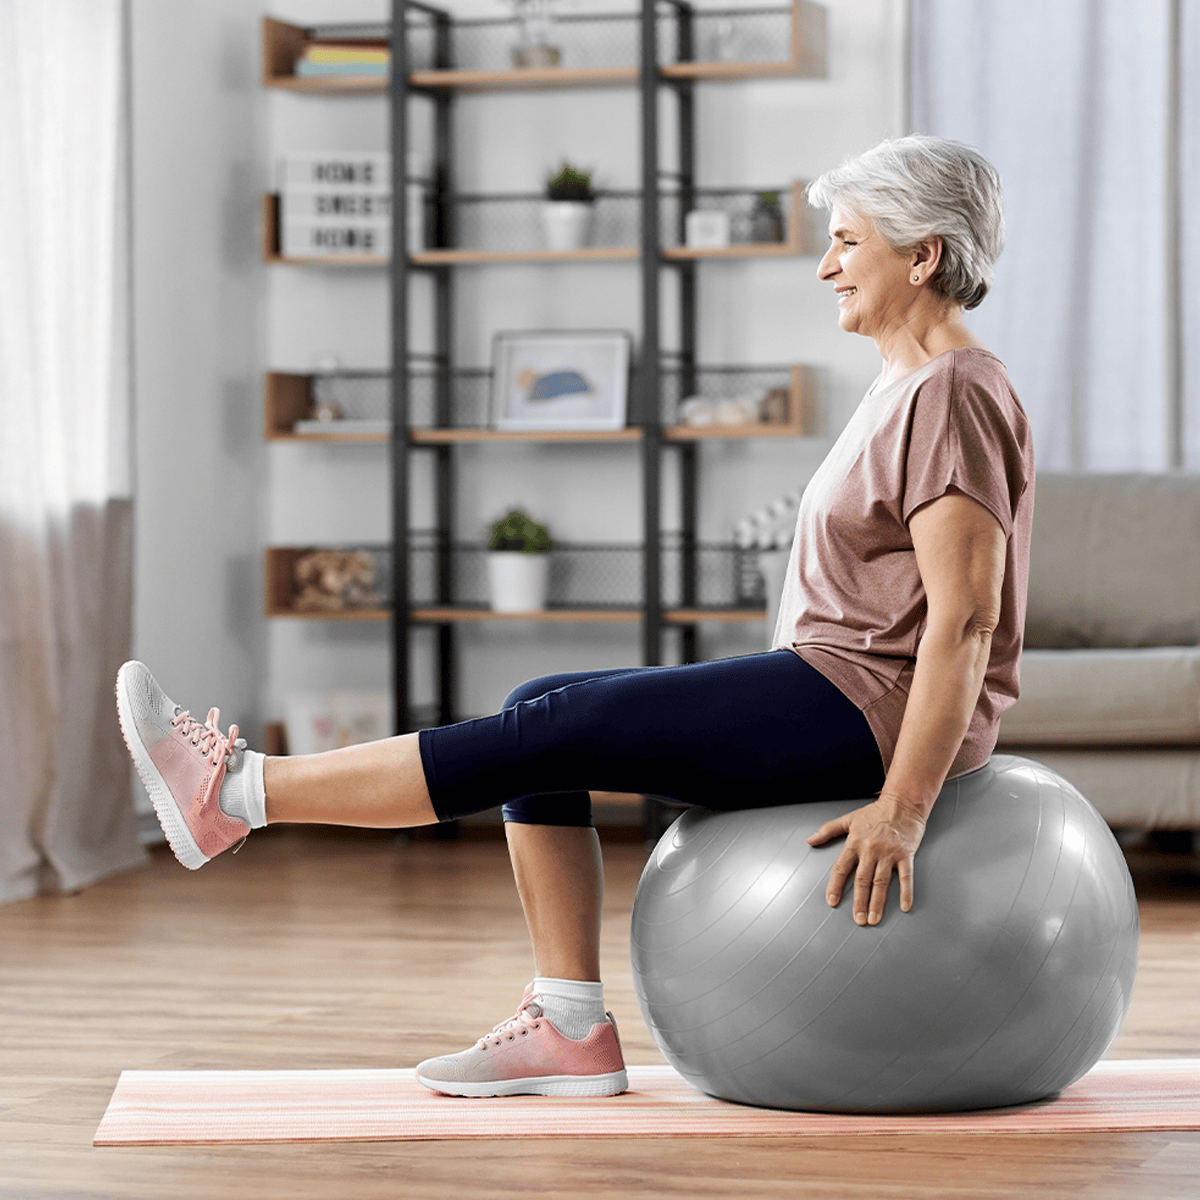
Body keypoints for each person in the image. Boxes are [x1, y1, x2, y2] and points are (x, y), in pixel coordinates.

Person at [116, 134, 1034, 1101]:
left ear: (923, 255)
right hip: (839, 685)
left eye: (848, 242)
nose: (826, 266)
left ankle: (239, 793)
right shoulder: (905, 385)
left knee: (558, 725)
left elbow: (966, 621)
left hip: (868, 705)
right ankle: (567, 1023)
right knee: (540, 699)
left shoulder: (954, 391)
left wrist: (904, 809)